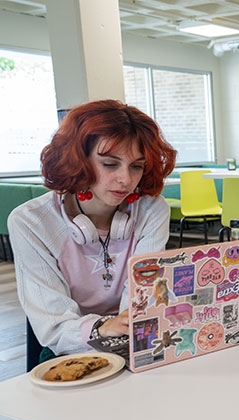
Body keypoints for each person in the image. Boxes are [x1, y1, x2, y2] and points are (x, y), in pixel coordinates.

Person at [9, 99, 176, 361]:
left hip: (134, 338)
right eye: (110, 164)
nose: (126, 179)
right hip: (72, 348)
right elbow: (54, 327)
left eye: (137, 166)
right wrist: (104, 327)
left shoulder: (151, 210)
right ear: (78, 161)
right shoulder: (31, 222)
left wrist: (124, 328)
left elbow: (142, 298)